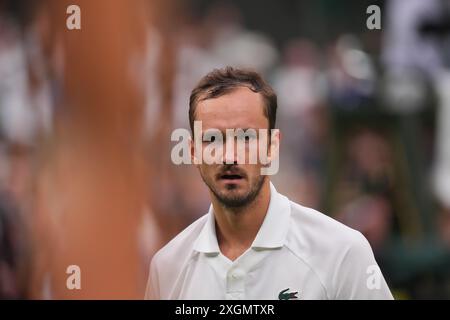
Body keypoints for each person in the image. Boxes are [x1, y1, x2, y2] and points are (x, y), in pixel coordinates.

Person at [145, 66, 393, 300]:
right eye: (212, 139)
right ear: (193, 151)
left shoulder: (342, 253)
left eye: (247, 138)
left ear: (272, 146)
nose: (230, 156)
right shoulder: (167, 268)